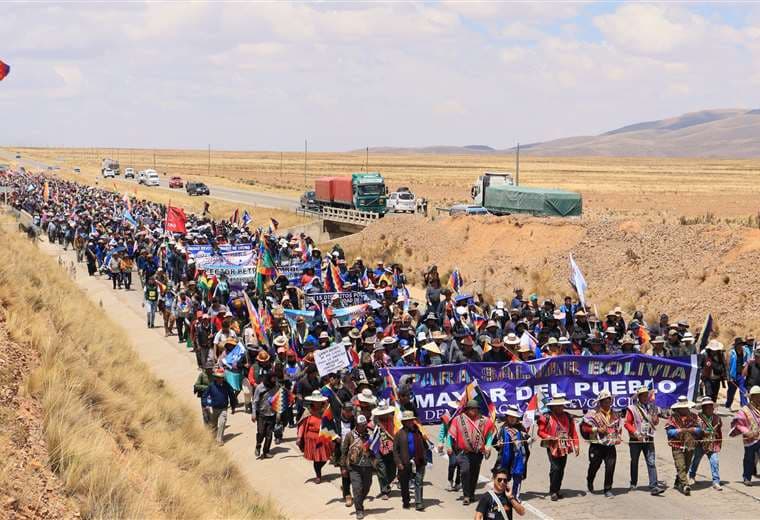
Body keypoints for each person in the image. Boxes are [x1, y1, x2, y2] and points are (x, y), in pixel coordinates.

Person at [447, 399, 495, 505]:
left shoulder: (485, 420)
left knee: (474, 473)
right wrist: (449, 445)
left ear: (478, 409)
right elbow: (451, 434)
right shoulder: (458, 420)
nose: (473, 411)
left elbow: (489, 434)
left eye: (475, 409)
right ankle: (466, 495)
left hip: (477, 453)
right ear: (467, 409)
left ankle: (471, 493)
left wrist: (488, 445)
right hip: (463, 453)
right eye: (471, 409)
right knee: (464, 471)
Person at [537, 392, 579, 501]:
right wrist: (549, 436)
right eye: (558, 405)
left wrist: (576, 445)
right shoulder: (546, 417)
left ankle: (557, 489)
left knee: (561, 468)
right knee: (555, 468)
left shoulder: (568, 417)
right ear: (553, 406)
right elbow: (540, 432)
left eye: (561, 405)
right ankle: (553, 491)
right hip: (552, 445)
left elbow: (573, 432)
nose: (560, 407)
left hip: (565, 446)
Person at [624, 386, 665, 495]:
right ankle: (633, 483)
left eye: (647, 394)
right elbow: (627, 423)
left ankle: (654, 485)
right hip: (636, 439)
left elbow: (655, 422)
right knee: (634, 461)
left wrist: (656, 420)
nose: (646, 397)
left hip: (648, 438)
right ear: (639, 397)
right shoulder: (632, 408)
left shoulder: (652, 408)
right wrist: (636, 433)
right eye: (643, 395)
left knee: (651, 461)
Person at [581, 390, 622, 497]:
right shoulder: (592, 414)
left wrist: (618, 437)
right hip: (597, 445)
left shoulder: (615, 414)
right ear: (600, 402)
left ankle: (607, 489)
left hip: (610, 445)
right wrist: (597, 429)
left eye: (609, 400)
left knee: (610, 467)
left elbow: (618, 428)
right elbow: (585, 428)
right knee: (594, 466)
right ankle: (590, 480)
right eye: (604, 401)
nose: (607, 403)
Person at [665, 396, 701, 495]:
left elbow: (700, 429)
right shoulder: (673, 418)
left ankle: (678, 481)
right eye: (683, 407)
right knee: (680, 464)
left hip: (690, 444)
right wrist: (679, 431)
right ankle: (685, 485)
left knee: (686, 465)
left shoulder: (694, 417)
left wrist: (692, 430)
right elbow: (669, 431)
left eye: (686, 407)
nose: (685, 409)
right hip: (677, 445)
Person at [341, 414, 375, 520]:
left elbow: (374, 451)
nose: (364, 427)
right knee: (357, 489)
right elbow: (344, 452)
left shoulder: (370, 436)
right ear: (356, 425)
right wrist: (343, 467)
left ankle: (358, 501)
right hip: (354, 467)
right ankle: (359, 510)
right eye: (361, 425)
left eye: (365, 425)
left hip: (367, 466)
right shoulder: (349, 436)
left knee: (367, 487)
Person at [493, 405, 529, 501]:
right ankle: (502, 494)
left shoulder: (521, 428)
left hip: (518, 457)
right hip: (505, 457)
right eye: (510, 417)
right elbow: (494, 443)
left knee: (517, 476)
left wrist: (529, 440)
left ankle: (515, 495)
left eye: (514, 417)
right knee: (503, 477)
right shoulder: (502, 429)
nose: (512, 419)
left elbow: (527, 438)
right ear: (507, 417)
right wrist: (498, 444)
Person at [393, 410, 428, 511]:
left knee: (418, 481)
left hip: (419, 461)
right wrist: (398, 463)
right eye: (407, 420)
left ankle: (419, 502)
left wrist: (425, 456)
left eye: (411, 420)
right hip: (405, 463)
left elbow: (425, 446)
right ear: (403, 422)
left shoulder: (418, 431)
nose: (409, 422)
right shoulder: (399, 434)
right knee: (404, 483)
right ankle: (406, 500)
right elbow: (395, 451)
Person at [297, 390, 334, 483]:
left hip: (323, 437)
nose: (317, 403)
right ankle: (318, 475)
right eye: (315, 401)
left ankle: (319, 470)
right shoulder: (308, 411)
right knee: (317, 459)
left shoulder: (326, 410)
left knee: (325, 457)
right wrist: (299, 437)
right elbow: (302, 425)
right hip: (312, 438)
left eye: (318, 401)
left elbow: (331, 423)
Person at [689, 396, 723, 490]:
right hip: (700, 444)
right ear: (703, 408)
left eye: (711, 407)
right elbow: (695, 431)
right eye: (707, 407)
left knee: (715, 461)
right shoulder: (698, 418)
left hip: (712, 444)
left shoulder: (717, 418)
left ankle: (716, 481)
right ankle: (691, 476)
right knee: (696, 460)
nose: (709, 409)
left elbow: (719, 429)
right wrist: (702, 433)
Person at [729, 385, 760, 485]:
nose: (759, 398)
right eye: (757, 396)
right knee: (749, 458)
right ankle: (747, 477)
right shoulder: (745, 410)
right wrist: (747, 432)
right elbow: (739, 423)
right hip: (750, 439)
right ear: (752, 397)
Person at [201, 367, 236, 445]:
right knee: (213, 426)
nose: (219, 379)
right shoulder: (211, 386)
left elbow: (232, 395)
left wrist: (233, 407)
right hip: (213, 409)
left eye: (221, 377)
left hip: (223, 408)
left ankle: (219, 440)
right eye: (218, 377)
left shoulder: (227, 385)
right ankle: (212, 439)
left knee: (222, 422)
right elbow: (204, 396)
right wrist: (206, 405)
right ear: (215, 377)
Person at [371, 403, 398, 500]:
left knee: (392, 470)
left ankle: (388, 484)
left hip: (392, 448)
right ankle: (384, 490)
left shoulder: (394, 420)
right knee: (381, 470)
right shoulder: (374, 422)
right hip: (379, 449)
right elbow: (370, 434)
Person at [251, 372, 278, 459]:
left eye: (275, 378)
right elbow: (255, 401)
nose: (274, 380)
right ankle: (258, 446)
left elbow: (278, 400)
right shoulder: (260, 387)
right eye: (272, 378)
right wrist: (254, 414)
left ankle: (266, 451)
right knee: (261, 432)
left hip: (272, 414)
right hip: (262, 415)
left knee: (269, 435)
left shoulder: (276, 387)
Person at [727, 338, 751, 410]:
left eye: (741, 344)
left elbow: (747, 361)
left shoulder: (745, 352)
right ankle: (728, 405)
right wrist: (728, 376)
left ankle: (744, 406)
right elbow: (728, 365)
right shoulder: (731, 353)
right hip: (733, 375)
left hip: (741, 375)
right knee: (731, 391)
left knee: (743, 390)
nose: (740, 346)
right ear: (736, 345)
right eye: (739, 345)